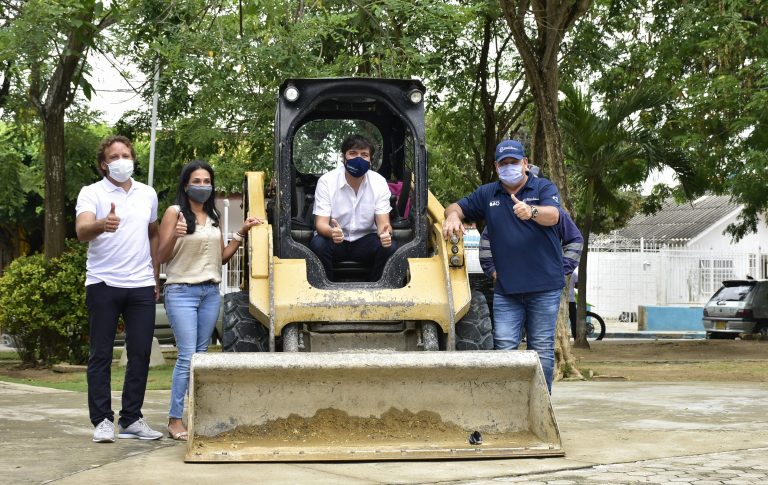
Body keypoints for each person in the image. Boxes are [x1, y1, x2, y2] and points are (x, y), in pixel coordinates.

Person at [443, 139, 564, 392]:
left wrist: (531, 212)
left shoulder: (543, 187)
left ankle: (542, 407)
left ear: (525, 163)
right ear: (497, 166)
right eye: (503, 163)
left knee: (541, 349)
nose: (509, 167)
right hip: (507, 289)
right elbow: (455, 207)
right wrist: (453, 215)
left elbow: (553, 215)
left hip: (544, 288)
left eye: (514, 162)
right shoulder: (488, 193)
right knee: (504, 347)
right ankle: (508, 406)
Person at [157, 160, 262, 441]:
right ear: (185, 184)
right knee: (187, 355)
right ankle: (175, 419)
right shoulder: (174, 213)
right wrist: (175, 236)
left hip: (210, 292)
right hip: (181, 291)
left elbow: (221, 258)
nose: (202, 186)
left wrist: (241, 233)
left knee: (201, 356)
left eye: (207, 181)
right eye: (197, 181)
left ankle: (197, 414)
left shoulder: (215, 217)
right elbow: (161, 256)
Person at [75, 135, 164, 442]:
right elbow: (81, 230)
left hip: (140, 284)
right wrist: (103, 224)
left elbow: (153, 233)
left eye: (126, 154)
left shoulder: (147, 194)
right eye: (115, 156)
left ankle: (131, 419)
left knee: (140, 353)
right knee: (100, 354)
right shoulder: (92, 193)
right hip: (103, 283)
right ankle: (101, 421)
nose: (122, 160)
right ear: (104, 164)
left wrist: (155, 274)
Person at [479, 208, 583, 336]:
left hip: (545, 291)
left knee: (541, 343)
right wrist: (492, 270)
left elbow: (575, 240)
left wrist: (561, 269)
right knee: (504, 343)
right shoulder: (501, 211)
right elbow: (486, 240)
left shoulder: (554, 211)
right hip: (508, 290)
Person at [309, 134, 397, 281]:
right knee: (318, 244)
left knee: (390, 247)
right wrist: (332, 233)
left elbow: (383, 224)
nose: (358, 159)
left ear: (371, 160)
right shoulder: (327, 181)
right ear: (344, 157)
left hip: (365, 241)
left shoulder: (379, 182)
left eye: (364, 155)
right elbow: (321, 224)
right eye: (353, 153)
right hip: (336, 240)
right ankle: (326, 289)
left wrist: (385, 235)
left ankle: (374, 289)